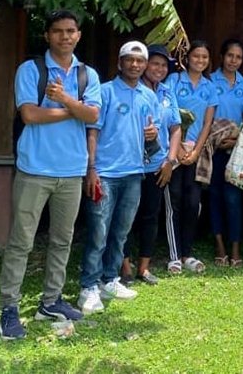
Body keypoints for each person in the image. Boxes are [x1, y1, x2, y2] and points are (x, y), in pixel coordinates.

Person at [0, 10, 101, 341]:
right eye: (58, 31)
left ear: (79, 35)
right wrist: (73, 110)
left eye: (71, 31)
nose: (65, 37)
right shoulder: (31, 70)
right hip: (35, 169)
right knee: (21, 242)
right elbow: (29, 114)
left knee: (62, 240)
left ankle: (51, 301)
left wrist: (65, 100)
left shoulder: (88, 75)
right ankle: (8, 308)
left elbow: (94, 114)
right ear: (48, 36)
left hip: (72, 171)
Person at [79, 41, 161, 315]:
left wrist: (152, 134)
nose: (135, 65)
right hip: (104, 173)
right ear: (120, 63)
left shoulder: (148, 95)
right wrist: (91, 168)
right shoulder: (104, 92)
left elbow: (153, 130)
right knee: (98, 232)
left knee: (120, 232)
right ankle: (88, 287)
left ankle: (109, 279)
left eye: (140, 61)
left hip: (134, 173)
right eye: (130, 60)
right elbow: (93, 131)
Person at [121, 44, 182, 286]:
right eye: (155, 63)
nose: (159, 68)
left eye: (164, 65)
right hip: (129, 165)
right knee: (125, 217)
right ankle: (124, 266)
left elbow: (175, 128)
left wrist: (170, 160)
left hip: (158, 166)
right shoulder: (131, 89)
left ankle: (143, 268)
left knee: (150, 216)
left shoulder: (167, 93)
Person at [165, 40, 218, 274]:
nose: (200, 61)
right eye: (196, 56)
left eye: (204, 57)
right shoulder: (174, 81)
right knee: (173, 200)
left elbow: (208, 123)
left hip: (195, 152)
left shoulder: (210, 86)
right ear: (187, 58)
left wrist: (196, 150)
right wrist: (176, 149)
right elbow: (166, 113)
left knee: (192, 202)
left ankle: (187, 252)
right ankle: (174, 255)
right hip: (172, 149)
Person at [210, 39, 243, 267]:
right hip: (214, 147)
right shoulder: (210, 81)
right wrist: (219, 140)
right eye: (230, 56)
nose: (233, 60)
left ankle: (235, 245)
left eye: (238, 57)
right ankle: (219, 244)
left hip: (237, 148)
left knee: (233, 199)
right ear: (222, 56)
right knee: (215, 196)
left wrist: (235, 140)